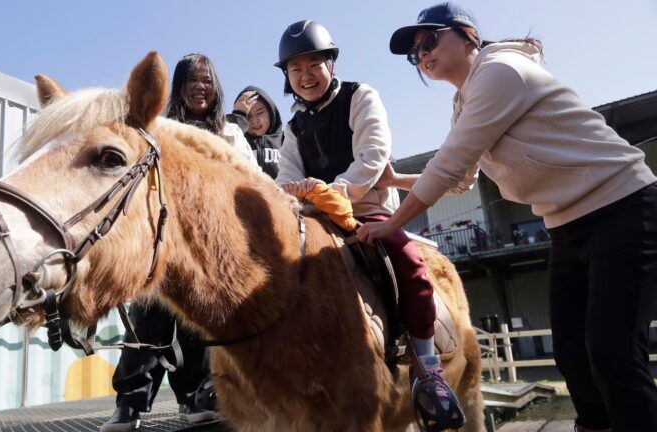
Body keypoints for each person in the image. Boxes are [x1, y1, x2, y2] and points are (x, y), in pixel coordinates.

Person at [358, 3, 657, 431]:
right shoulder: (464, 102)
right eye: (415, 53)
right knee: (572, 353)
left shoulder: (500, 71)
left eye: (430, 40)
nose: (422, 54)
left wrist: (392, 223)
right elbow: (462, 179)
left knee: (614, 353)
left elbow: (449, 165)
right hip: (566, 226)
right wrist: (395, 179)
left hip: (621, 206)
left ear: (468, 35)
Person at [273, 19, 464, 429]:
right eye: (295, 69)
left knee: (408, 262)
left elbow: (373, 155)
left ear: (331, 64)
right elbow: (285, 176)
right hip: (314, 216)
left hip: (365, 209)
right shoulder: (293, 127)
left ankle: (427, 367)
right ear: (287, 76)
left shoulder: (361, 96)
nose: (305, 76)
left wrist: (334, 190)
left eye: (314, 65)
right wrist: (295, 193)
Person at [101, 53, 257, 432]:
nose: (200, 88)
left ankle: (195, 397)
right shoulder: (160, 127)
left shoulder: (231, 133)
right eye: (191, 80)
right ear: (179, 86)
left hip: (212, 245)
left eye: (206, 80)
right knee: (147, 317)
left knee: (197, 323)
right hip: (165, 237)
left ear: (216, 87)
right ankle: (130, 402)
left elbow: (250, 179)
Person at [226, 86, 283, 178]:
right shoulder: (236, 142)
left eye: (260, 113)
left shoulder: (288, 139)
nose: (254, 120)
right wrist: (238, 116)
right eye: (248, 116)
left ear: (271, 112)